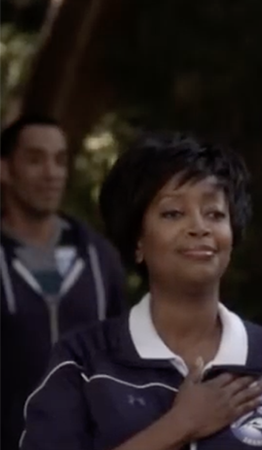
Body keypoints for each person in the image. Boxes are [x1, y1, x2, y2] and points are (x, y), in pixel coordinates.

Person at [20, 132, 262, 450]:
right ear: (137, 242)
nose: (199, 227)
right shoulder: (82, 362)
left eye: (215, 214)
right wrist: (180, 425)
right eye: (173, 213)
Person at [0, 114, 127, 449]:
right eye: (35, 159)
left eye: (59, 160)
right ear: (4, 169)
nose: (51, 173)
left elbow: (123, 357)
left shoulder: (99, 258)